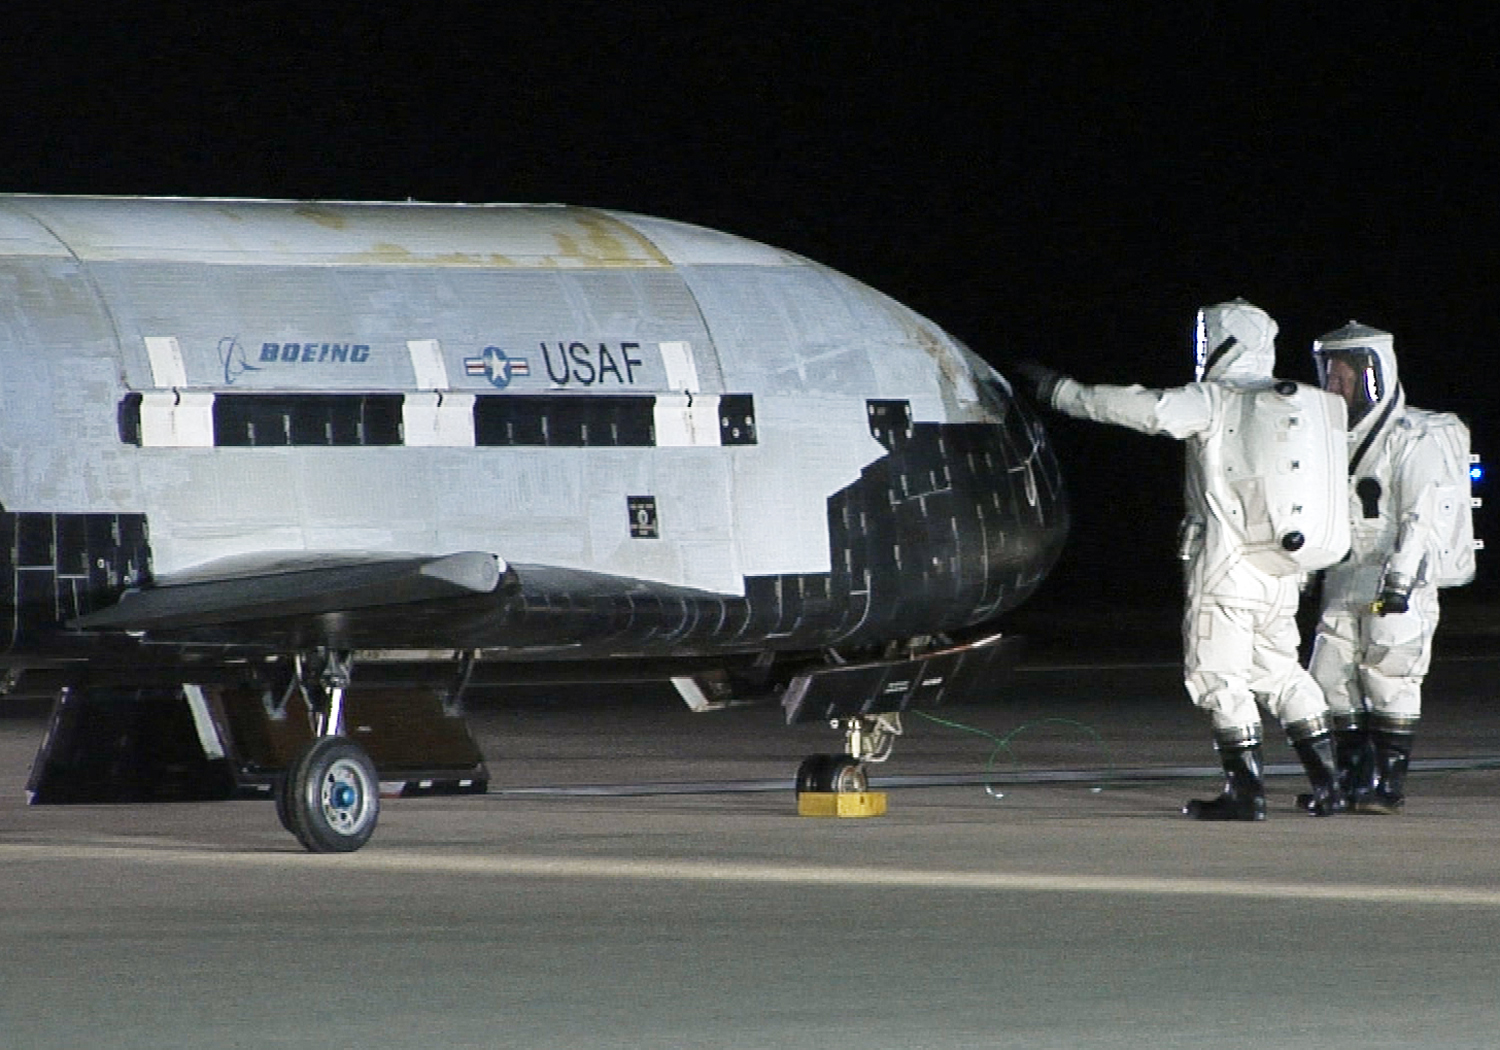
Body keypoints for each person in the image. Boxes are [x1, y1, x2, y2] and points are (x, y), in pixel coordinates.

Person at [1017, 299, 1348, 820]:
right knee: (1282, 673)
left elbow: (1145, 409)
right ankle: (1331, 786)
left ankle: (1245, 794)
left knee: (1217, 676)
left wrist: (1061, 392)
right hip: (1281, 574)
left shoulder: (1216, 400)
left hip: (1225, 570)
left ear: (1220, 341)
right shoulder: (1286, 405)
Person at [1307, 322, 1450, 813]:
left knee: (1390, 675)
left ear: (1373, 374)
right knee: (1329, 675)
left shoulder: (1411, 437)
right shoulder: (1328, 438)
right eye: (1328, 374)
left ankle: (1387, 786)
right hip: (1344, 572)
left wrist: (1400, 582)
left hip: (1396, 573)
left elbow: (1419, 515)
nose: (1333, 387)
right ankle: (1353, 778)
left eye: (1343, 376)